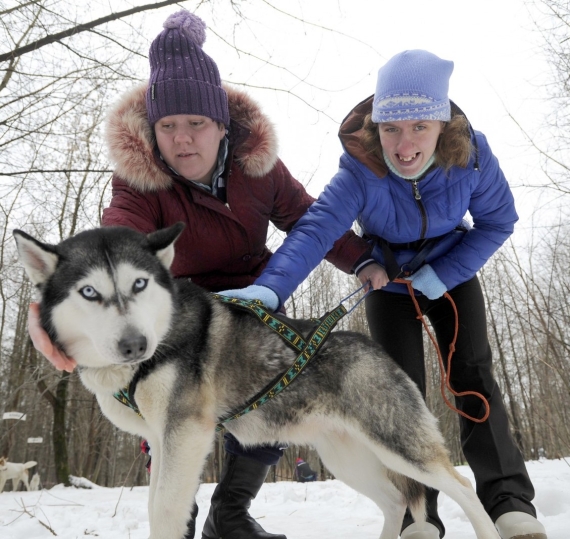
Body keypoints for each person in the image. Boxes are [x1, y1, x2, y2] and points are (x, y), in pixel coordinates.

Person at [26, 10, 372, 539]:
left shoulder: (260, 168)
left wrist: (367, 262)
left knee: (272, 389)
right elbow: (116, 244)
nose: (182, 139)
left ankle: (230, 514)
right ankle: (177, 521)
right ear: (152, 129)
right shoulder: (138, 184)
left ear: (221, 125)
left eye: (196, 124)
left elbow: (310, 220)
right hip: (182, 310)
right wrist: (46, 310)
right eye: (167, 126)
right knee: (163, 406)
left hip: (253, 298)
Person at [222, 50, 547, 539]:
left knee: (472, 376)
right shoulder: (361, 168)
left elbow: (499, 221)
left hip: (451, 273)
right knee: (397, 394)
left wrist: (446, 271)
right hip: (389, 281)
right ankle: (421, 515)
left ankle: (508, 501)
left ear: (442, 125)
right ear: (376, 130)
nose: (405, 143)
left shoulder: (471, 157)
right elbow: (314, 232)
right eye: (392, 128)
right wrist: (270, 289)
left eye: (420, 126)